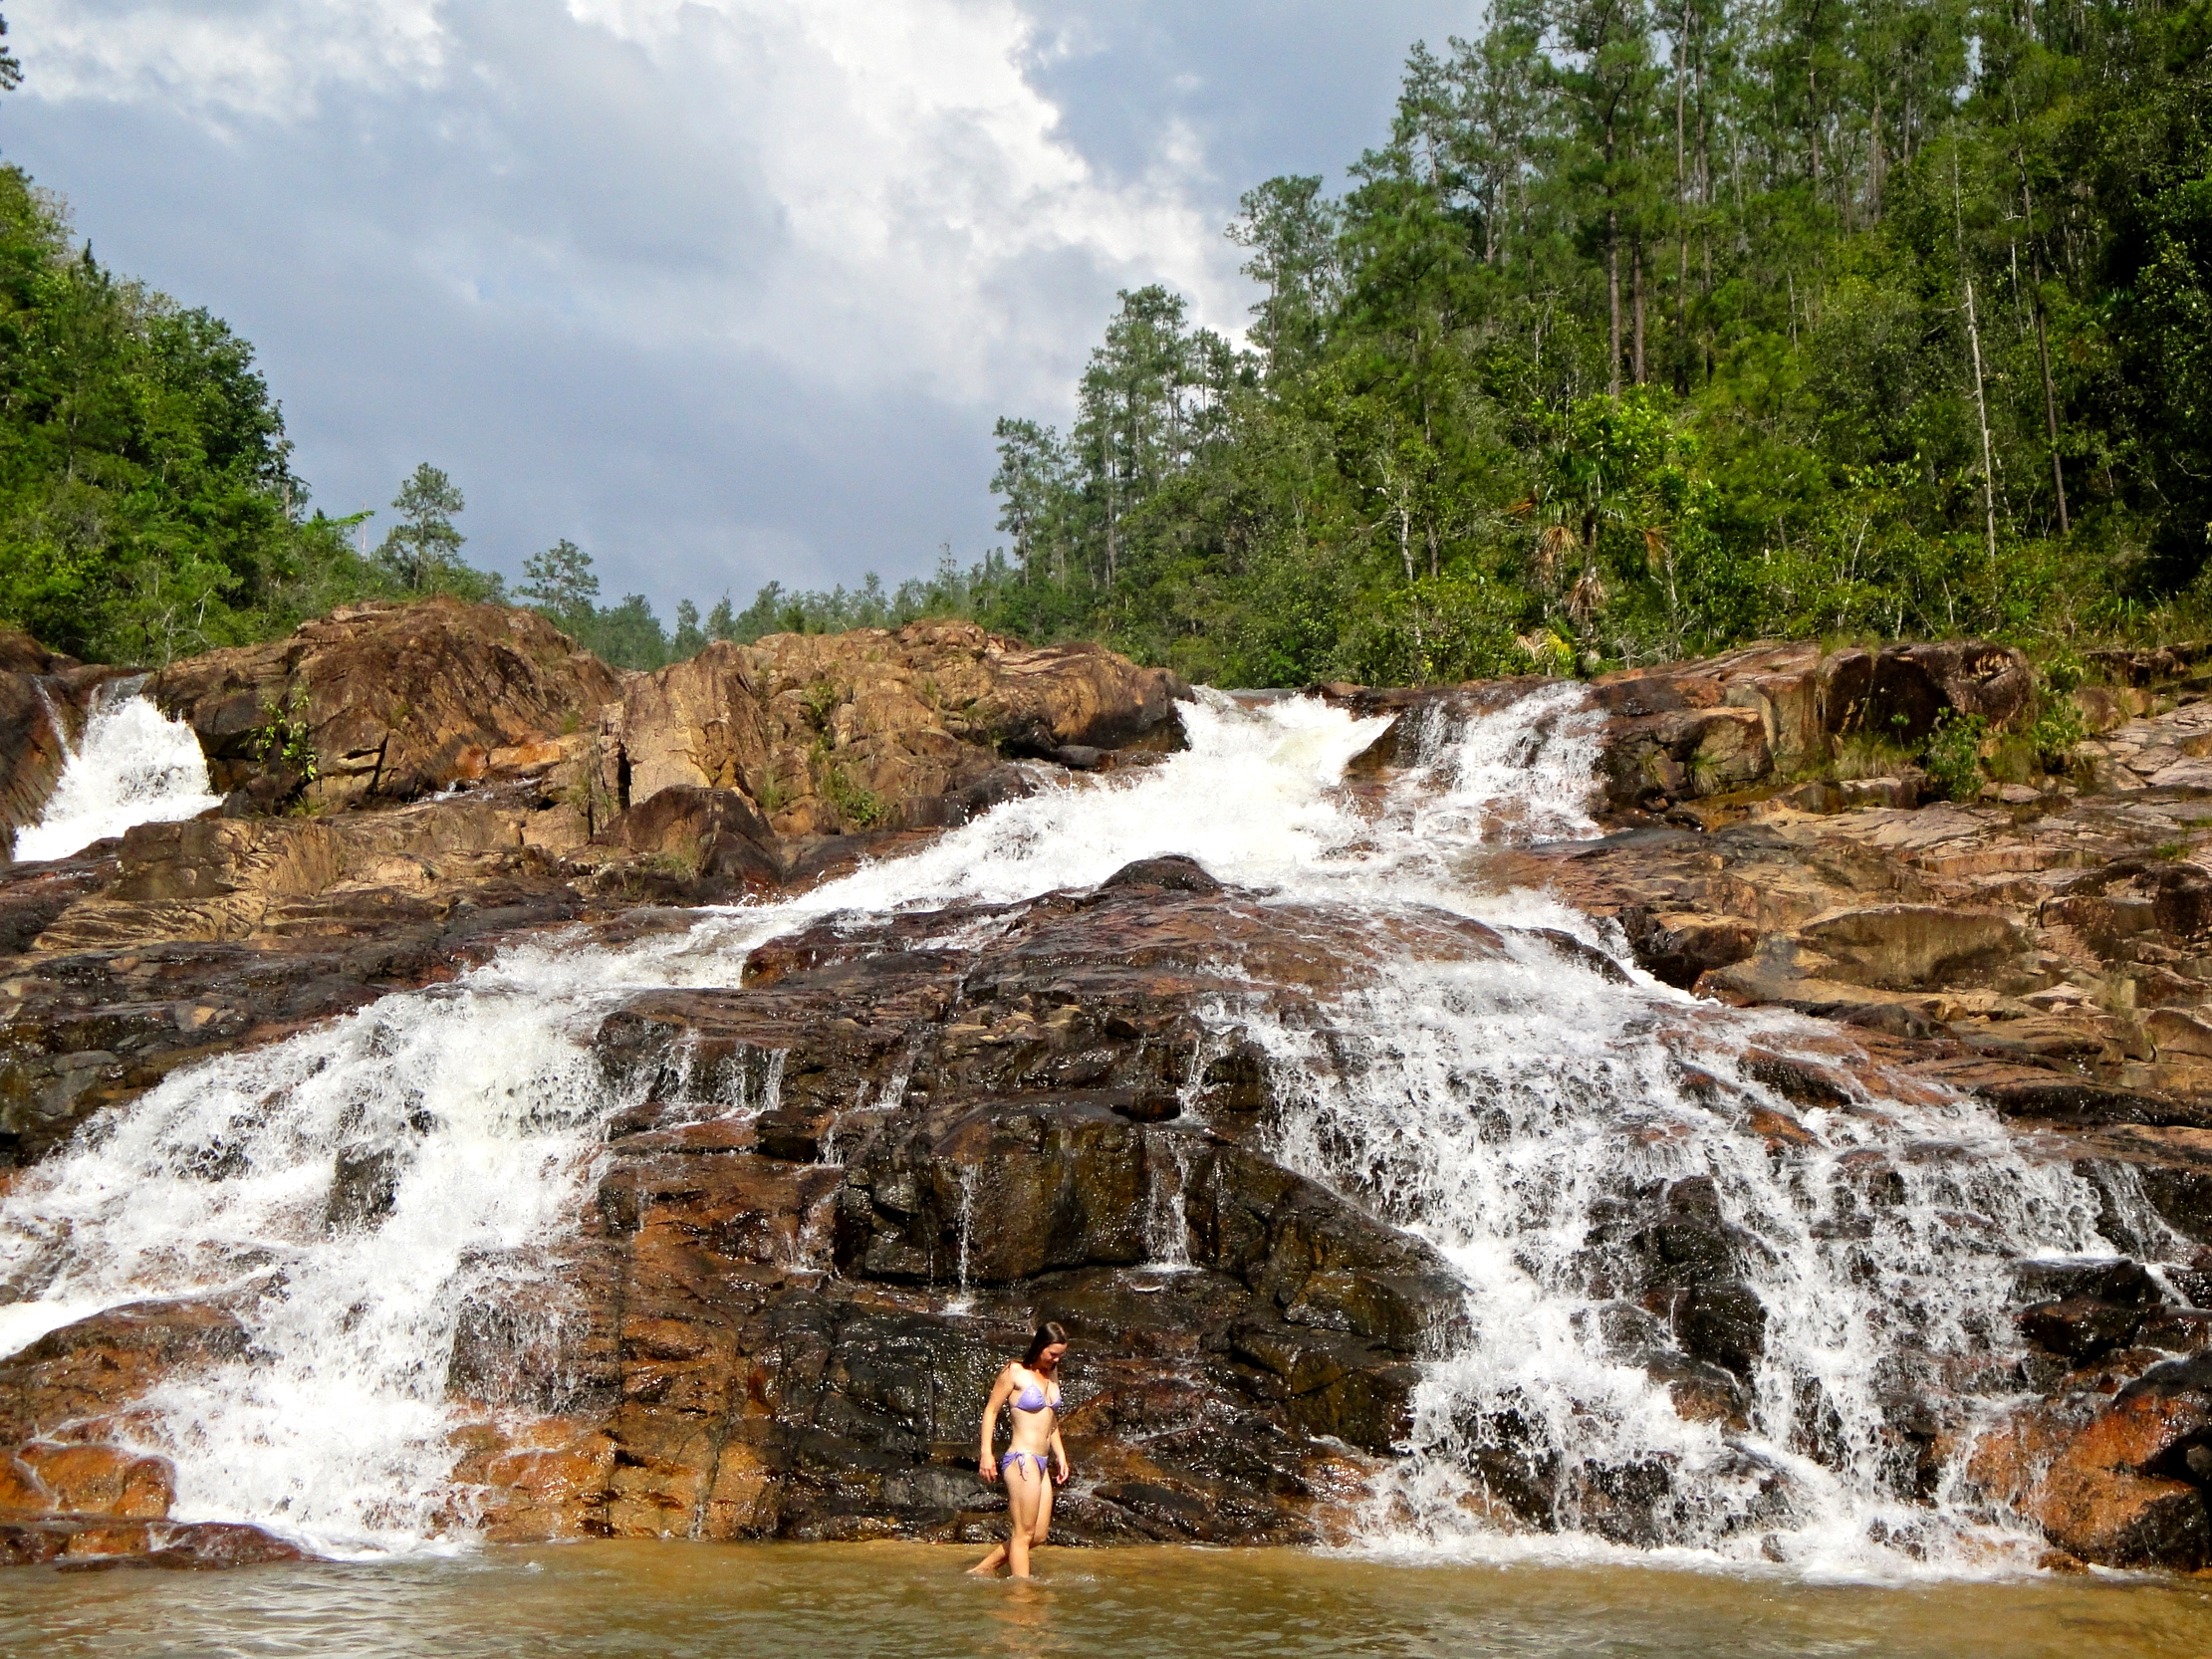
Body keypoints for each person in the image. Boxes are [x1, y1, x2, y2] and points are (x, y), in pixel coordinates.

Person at [967, 1321, 1070, 1578]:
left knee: (1038, 1535)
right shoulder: (1014, 1372)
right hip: (1021, 1459)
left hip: (1042, 1461)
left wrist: (1061, 1455)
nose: (1056, 1359)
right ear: (1039, 1346)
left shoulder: (1052, 1373)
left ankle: (983, 1569)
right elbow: (991, 1411)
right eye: (1052, 1354)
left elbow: (1050, 1419)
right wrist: (986, 1454)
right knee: (1023, 1533)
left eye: (1060, 1355)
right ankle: (1022, 1594)